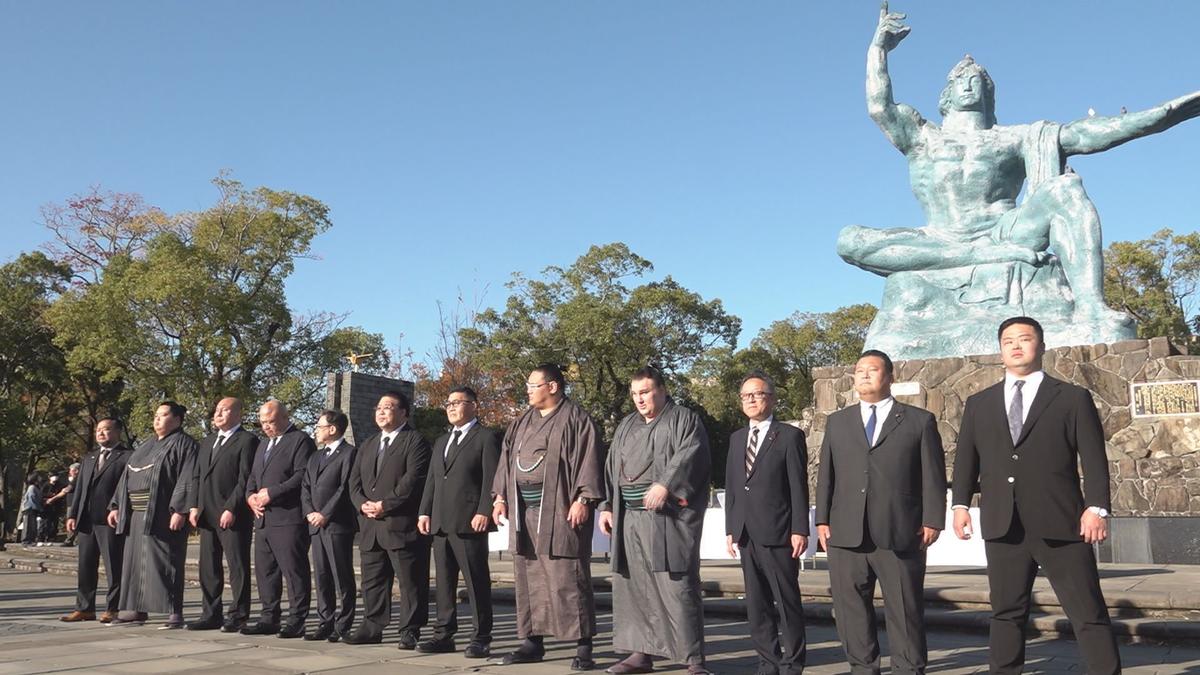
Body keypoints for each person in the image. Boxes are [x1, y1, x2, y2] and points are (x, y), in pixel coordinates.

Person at [838, 3, 1200, 329]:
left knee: (1065, 190)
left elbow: (1087, 133)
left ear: (988, 94)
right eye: (959, 81)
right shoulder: (921, 137)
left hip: (1004, 232)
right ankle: (975, 255)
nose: (967, 85)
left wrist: (1158, 117)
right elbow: (879, 107)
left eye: (976, 81)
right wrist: (878, 50)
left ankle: (1091, 308)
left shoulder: (1016, 138)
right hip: (940, 237)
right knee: (849, 240)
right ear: (945, 96)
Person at [952, 317, 1120, 675]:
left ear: (1041, 346)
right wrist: (961, 504)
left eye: (1024, 339)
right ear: (1000, 350)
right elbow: (966, 458)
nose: (1015, 346)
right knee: (1006, 613)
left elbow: (1093, 457)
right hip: (1003, 524)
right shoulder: (979, 403)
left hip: (1062, 523)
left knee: (1087, 612)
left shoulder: (1072, 398)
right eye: (1007, 340)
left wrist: (1097, 508)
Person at [816, 350, 947, 675]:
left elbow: (933, 475)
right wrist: (821, 519)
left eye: (871, 370)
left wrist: (933, 519)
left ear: (889, 377)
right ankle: (862, 668)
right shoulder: (838, 422)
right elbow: (826, 476)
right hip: (846, 533)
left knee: (905, 610)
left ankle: (909, 669)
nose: (863, 376)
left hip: (901, 531)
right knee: (851, 613)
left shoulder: (919, 420)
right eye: (859, 371)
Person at [599, 366, 712, 675]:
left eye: (646, 392)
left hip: (667, 517)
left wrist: (665, 484)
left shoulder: (684, 419)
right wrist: (607, 505)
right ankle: (639, 653)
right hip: (629, 517)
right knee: (632, 584)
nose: (640, 399)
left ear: (662, 389)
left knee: (676, 584)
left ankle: (693, 659)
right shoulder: (625, 426)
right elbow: (611, 468)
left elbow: (691, 454)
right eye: (635, 394)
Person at [492, 364, 604, 670]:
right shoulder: (520, 422)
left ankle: (583, 647)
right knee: (529, 576)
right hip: (523, 510)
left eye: (533, 385)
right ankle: (532, 641)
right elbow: (506, 459)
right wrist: (500, 497)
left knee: (568, 576)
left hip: (561, 509)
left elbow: (589, 460)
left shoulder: (577, 420)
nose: (528, 390)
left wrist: (583, 498)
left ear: (552, 387)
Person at [724, 372, 810, 675]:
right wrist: (730, 529)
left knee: (787, 602)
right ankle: (767, 661)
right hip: (746, 534)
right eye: (745, 395)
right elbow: (733, 486)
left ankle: (793, 662)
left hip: (779, 531)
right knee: (757, 605)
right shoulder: (736, 439)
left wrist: (800, 528)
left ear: (771, 398)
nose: (750, 400)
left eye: (757, 394)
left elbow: (798, 486)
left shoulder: (788, 436)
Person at [417, 386, 501, 658]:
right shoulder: (441, 441)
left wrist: (484, 510)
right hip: (441, 523)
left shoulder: (485, 438)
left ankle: (481, 636)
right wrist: (424, 511)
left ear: (474, 405)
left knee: (476, 581)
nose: (451, 407)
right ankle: (443, 634)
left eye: (458, 402)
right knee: (444, 583)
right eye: (448, 403)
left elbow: (491, 478)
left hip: (469, 522)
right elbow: (432, 479)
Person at [345, 391, 431, 648]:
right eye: (378, 407)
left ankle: (410, 629)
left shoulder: (415, 441)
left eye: (388, 407)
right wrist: (363, 505)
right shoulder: (369, 443)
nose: (381, 412)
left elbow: (413, 481)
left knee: (410, 581)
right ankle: (372, 626)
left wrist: (386, 504)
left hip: (400, 524)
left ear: (404, 412)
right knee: (372, 581)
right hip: (370, 525)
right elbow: (354, 482)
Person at [107, 401, 198, 628]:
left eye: (163, 415)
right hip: (136, 514)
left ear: (177, 419)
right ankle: (135, 610)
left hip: (162, 513)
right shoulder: (144, 446)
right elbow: (126, 478)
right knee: (134, 563)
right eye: (156, 415)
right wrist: (117, 505)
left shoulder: (185, 444)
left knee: (167, 561)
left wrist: (180, 509)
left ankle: (174, 612)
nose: (157, 419)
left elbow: (188, 478)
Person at [241, 400, 316, 638]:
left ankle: (297, 618)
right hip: (262, 519)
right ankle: (269, 616)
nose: (266, 427)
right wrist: (250, 496)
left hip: (288, 518)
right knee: (265, 571)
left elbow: (302, 475)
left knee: (293, 571)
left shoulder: (300, 440)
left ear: (285, 417)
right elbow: (253, 476)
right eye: (262, 422)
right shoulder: (263, 444)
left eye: (271, 421)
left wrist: (272, 493)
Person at [186, 397, 257, 633]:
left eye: (224, 410)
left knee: (237, 566)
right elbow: (196, 476)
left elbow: (245, 478)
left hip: (232, 514)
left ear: (238, 414)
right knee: (208, 566)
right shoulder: (207, 442)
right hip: (206, 513)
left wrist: (232, 507)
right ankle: (210, 613)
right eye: (217, 410)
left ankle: (238, 615)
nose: (218, 414)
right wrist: (195, 505)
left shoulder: (247, 441)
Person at [61, 418, 131, 623]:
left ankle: (114, 608)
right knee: (85, 566)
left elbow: (126, 488)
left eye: (106, 429)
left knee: (114, 565)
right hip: (86, 521)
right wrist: (73, 514)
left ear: (118, 432)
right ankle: (84, 607)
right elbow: (80, 489)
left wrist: (117, 508)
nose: (101, 433)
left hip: (109, 520)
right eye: (99, 430)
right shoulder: (89, 458)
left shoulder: (127, 456)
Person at [300, 409, 359, 642]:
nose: (316, 430)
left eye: (319, 426)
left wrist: (325, 513)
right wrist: (310, 512)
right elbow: (305, 487)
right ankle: (325, 620)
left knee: (341, 575)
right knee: (322, 575)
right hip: (315, 525)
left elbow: (344, 488)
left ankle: (343, 623)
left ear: (332, 429)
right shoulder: (315, 456)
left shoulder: (349, 454)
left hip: (337, 524)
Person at [20, 473, 43, 547]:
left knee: (33, 525)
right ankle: (26, 540)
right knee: (28, 525)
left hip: (34, 508)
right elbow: (32, 498)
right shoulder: (32, 487)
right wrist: (39, 508)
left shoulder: (37, 487)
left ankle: (31, 540)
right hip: (29, 508)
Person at [61, 463, 80, 546]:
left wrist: (52, 499)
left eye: (71, 470)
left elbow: (67, 489)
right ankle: (76, 540)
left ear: (76, 470)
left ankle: (69, 540)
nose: (70, 472)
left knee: (71, 521)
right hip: (71, 503)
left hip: (73, 503)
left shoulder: (77, 479)